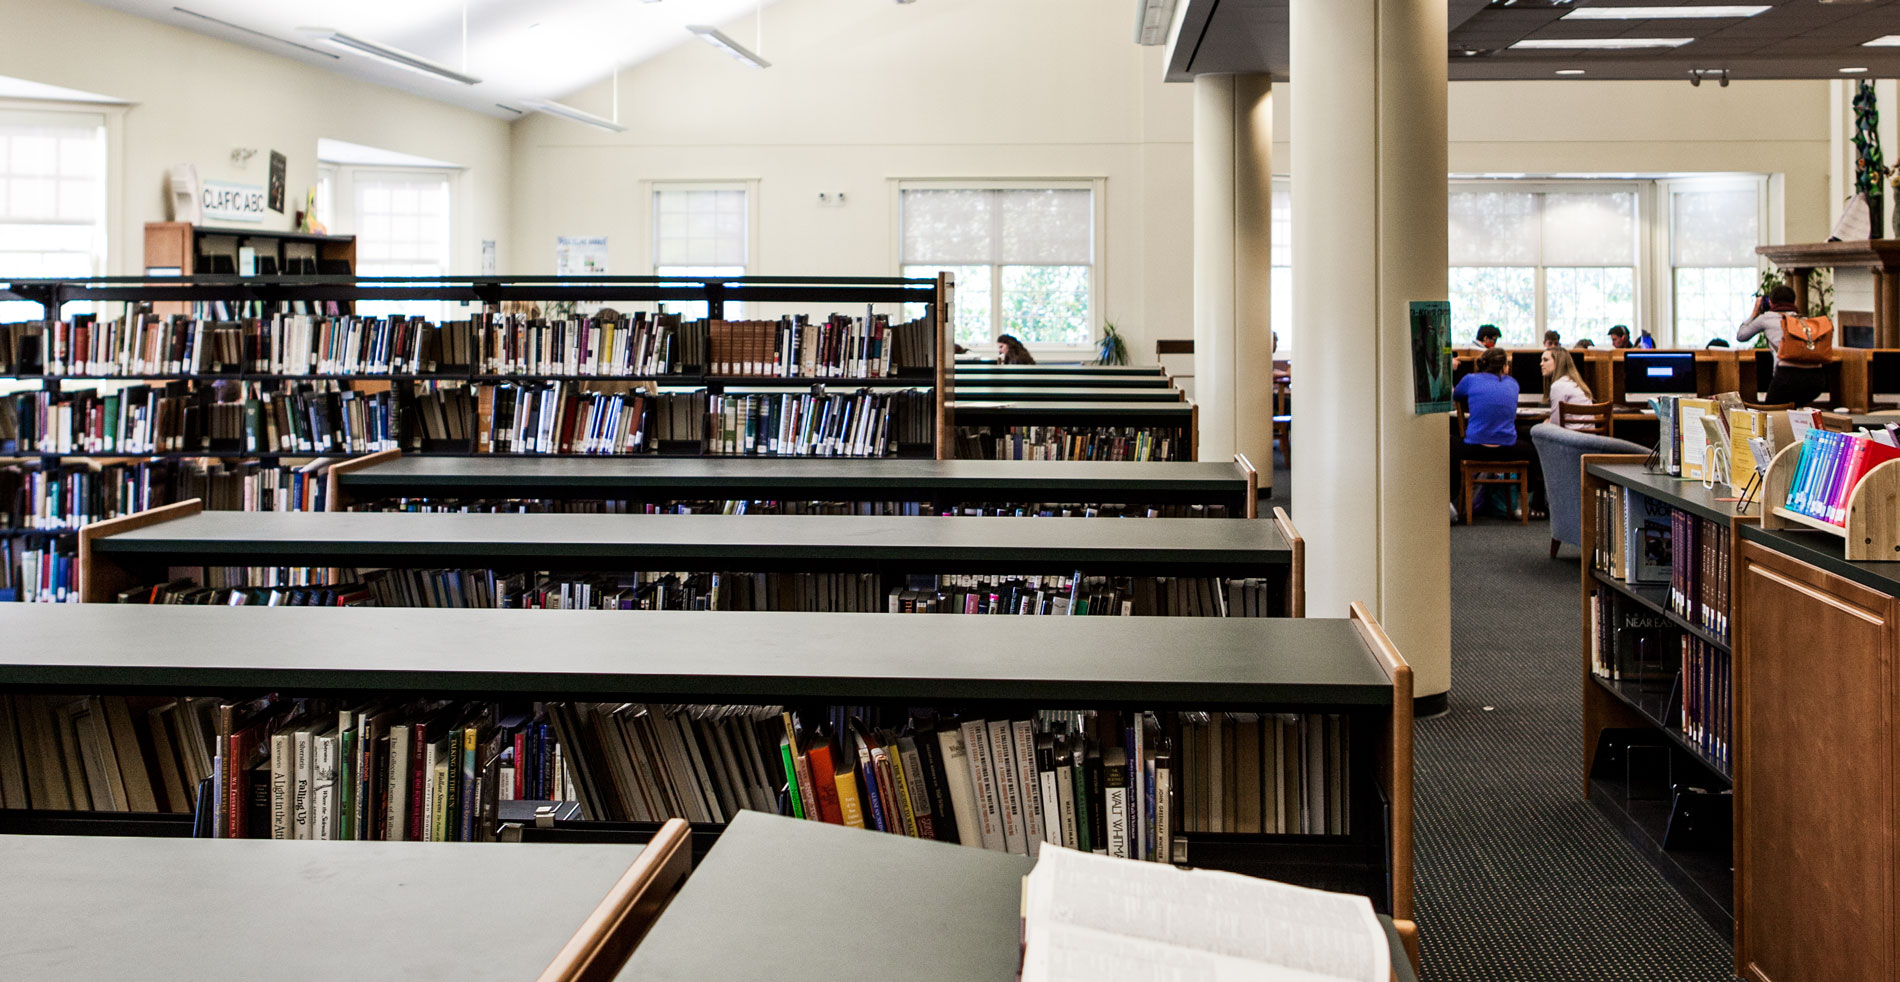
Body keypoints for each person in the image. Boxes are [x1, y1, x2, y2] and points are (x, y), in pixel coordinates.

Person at [1452, 347, 1541, 518]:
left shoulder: (1470, 380)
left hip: (1475, 448)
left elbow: (1457, 396)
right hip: (1508, 449)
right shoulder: (1512, 384)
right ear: (1505, 367)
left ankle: (1452, 500)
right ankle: (1528, 505)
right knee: (1531, 447)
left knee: (1450, 444)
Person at [1738, 285, 1826, 406]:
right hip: (1816, 379)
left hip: (1787, 376)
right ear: (1793, 301)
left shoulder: (1766, 319)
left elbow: (1741, 336)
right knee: (1795, 412)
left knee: (1770, 413)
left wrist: (1755, 312)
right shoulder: (1804, 320)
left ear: (1771, 302)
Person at [1541, 347, 1595, 429]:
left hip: (1570, 438)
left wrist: (1546, 423)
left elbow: (1555, 425)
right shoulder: (1576, 383)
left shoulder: (1558, 386)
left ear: (1558, 362)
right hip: (1588, 438)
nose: (1541, 364)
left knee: (1536, 429)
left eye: (1545, 360)